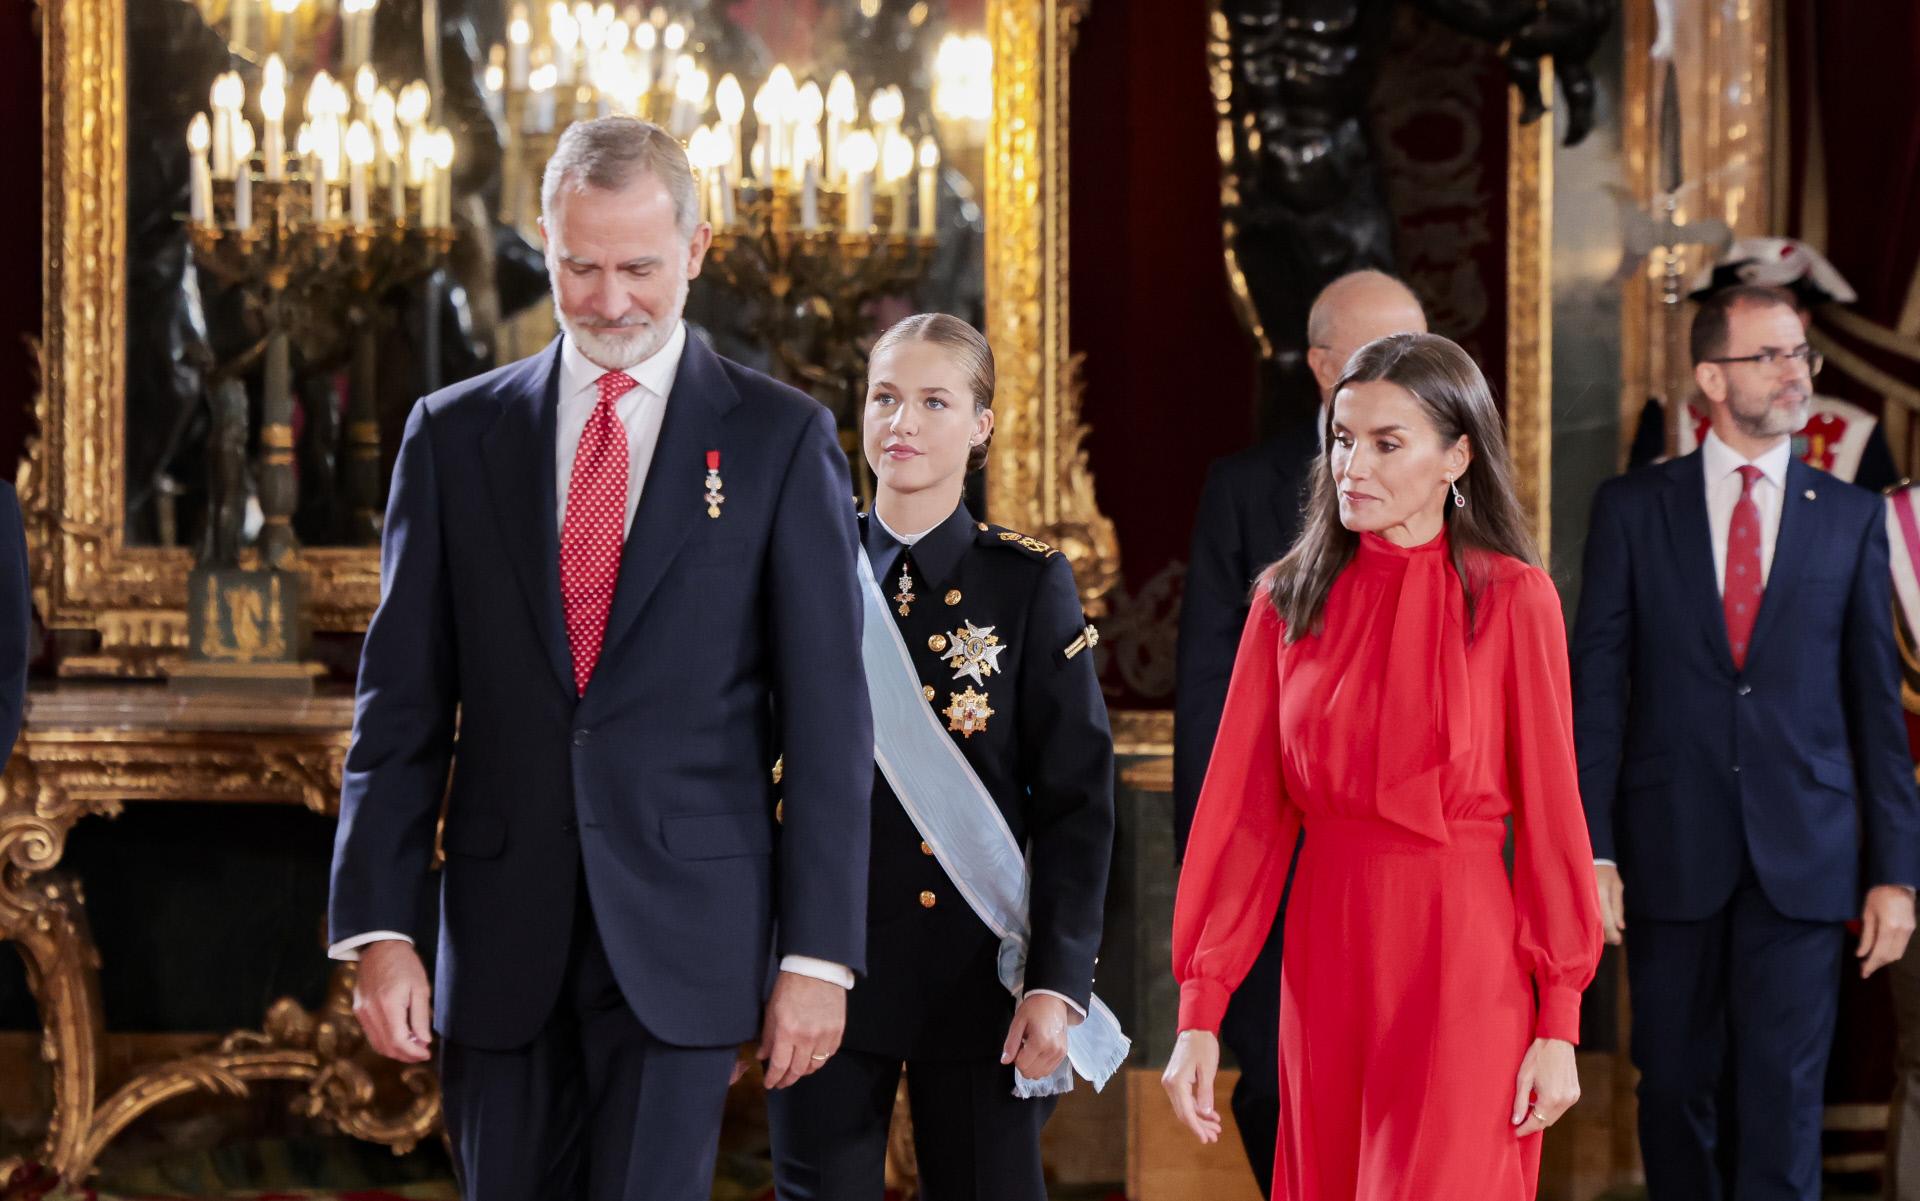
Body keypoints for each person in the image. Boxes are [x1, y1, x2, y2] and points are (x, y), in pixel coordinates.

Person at [326, 117, 873, 1201]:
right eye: (581, 266)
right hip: (498, 932)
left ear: (697, 251)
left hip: (687, 934)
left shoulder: (778, 438)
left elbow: (827, 724)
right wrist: (380, 927)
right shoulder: (452, 435)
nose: (611, 299)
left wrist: (817, 956)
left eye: (639, 268)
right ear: (542, 242)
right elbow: (400, 709)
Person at [1163, 332, 1603, 1198]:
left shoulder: (1515, 598)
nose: (1351, 465)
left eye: (1386, 442)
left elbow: (1556, 817)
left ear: (1457, 456)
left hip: (1464, 956)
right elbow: (1243, 820)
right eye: (1341, 438)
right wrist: (1200, 1007)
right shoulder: (1286, 599)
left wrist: (1560, 1017)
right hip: (1325, 957)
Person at [766, 313, 1126, 1199]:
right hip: (823, 959)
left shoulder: (1027, 581)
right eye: (886, 397)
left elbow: (1078, 801)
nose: (904, 423)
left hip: (975, 976)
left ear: (981, 423)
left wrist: (1058, 981)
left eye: (935, 400)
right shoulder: (805, 563)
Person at [1573, 284, 1920, 1201]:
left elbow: (1875, 710)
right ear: (1710, 377)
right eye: (1770, 355)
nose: (1795, 371)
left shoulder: (1851, 517)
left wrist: (1896, 873)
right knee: (1675, 1085)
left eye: (1800, 352)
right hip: (1670, 847)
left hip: (1806, 856)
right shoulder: (1631, 508)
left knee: (1785, 1095)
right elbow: (1599, 692)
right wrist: (1593, 848)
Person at [1172, 269, 1426, 1196]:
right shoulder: (1246, 491)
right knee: (1283, 1094)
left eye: (1419, 347)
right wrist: (1223, 883)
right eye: (1375, 352)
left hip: (1435, 888)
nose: (1407, 370)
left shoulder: (1470, 497)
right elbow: (1211, 701)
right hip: (1291, 868)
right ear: (1323, 369)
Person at [1627, 237, 1899, 491]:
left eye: (1774, 305)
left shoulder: (1853, 430)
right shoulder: (1668, 419)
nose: (1761, 318)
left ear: (1802, 320)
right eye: (1744, 306)